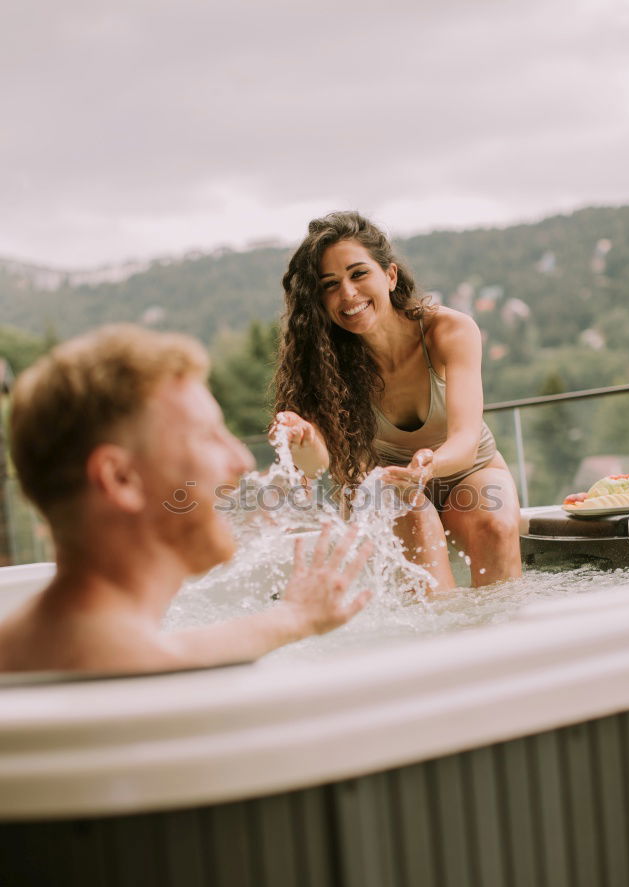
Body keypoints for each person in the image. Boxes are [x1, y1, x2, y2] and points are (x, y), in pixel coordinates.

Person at [0, 325, 372, 674]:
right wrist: (293, 618)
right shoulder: (137, 673)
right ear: (120, 478)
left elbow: (188, 648)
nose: (241, 459)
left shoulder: (39, 648)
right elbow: (159, 657)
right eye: (209, 436)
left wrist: (293, 616)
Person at [273, 211, 522, 591]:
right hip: (388, 485)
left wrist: (429, 465)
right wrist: (304, 440)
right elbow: (316, 465)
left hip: (469, 472)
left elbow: (466, 441)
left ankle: (508, 640)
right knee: (412, 514)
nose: (348, 294)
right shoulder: (323, 362)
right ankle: (444, 643)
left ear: (389, 276)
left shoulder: (449, 329)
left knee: (495, 524)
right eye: (330, 285)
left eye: (358, 274)